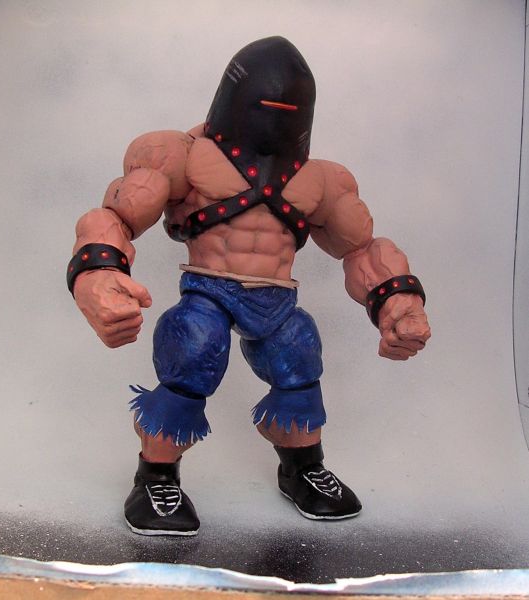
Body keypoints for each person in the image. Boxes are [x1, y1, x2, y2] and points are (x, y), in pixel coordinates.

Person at [67, 37, 431, 536]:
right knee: (193, 351)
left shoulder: (322, 181)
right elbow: (114, 217)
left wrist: (397, 302)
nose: (278, 102)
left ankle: (302, 469)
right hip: (209, 290)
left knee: (299, 356)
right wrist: (97, 275)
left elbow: (362, 249)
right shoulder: (181, 155)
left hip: (276, 298)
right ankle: (155, 476)